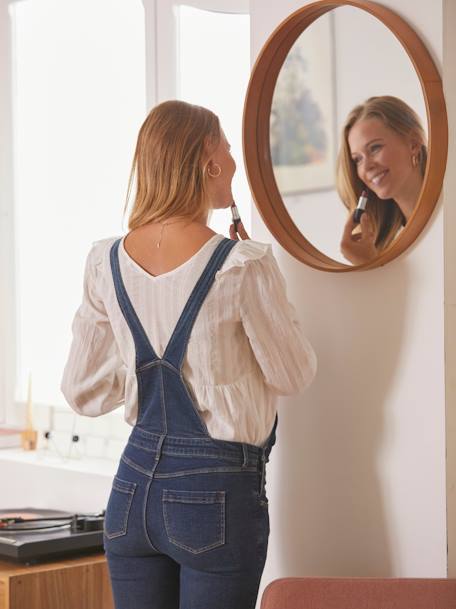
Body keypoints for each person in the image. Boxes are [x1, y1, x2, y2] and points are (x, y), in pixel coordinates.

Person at [61, 100, 317, 609]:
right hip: (216, 495)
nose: (234, 161)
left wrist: (141, 359)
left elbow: (81, 393)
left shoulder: (105, 261)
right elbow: (293, 374)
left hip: (131, 491)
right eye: (226, 146)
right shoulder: (242, 264)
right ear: (207, 157)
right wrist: (268, 296)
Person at [336, 95, 427, 265]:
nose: (366, 167)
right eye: (358, 159)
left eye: (375, 148)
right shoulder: (389, 246)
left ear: (413, 143)